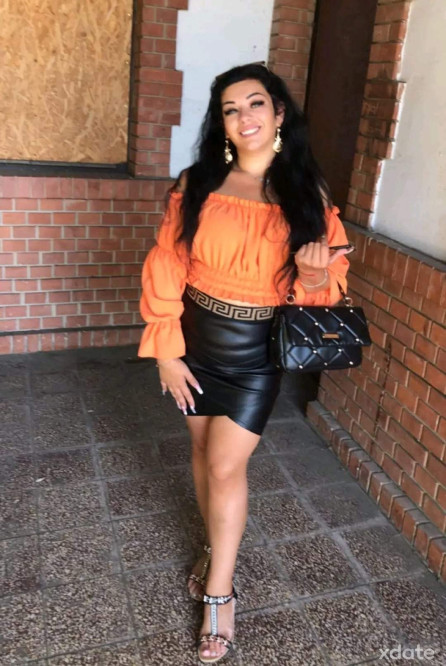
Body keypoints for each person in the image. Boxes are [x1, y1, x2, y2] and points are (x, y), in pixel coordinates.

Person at [138, 62, 353, 664]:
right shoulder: (198, 183)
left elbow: (325, 290)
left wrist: (315, 275)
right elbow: (167, 263)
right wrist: (166, 350)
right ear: (222, 122)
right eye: (231, 109)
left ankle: (221, 593)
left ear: (279, 113)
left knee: (226, 464)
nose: (244, 117)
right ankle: (215, 545)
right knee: (203, 453)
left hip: (257, 353)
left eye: (255, 103)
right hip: (195, 341)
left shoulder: (307, 196)